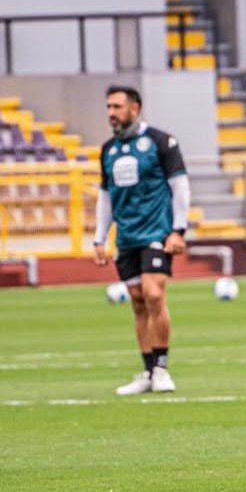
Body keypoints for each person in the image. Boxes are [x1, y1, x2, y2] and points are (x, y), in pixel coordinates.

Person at [93, 86, 190, 395]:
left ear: (134, 108)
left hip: (157, 232)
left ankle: (162, 369)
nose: (111, 113)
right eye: (108, 107)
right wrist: (99, 239)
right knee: (137, 301)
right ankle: (148, 373)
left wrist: (178, 230)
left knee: (153, 294)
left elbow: (180, 186)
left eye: (117, 107)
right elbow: (106, 197)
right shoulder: (108, 150)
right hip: (127, 237)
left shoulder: (161, 142)